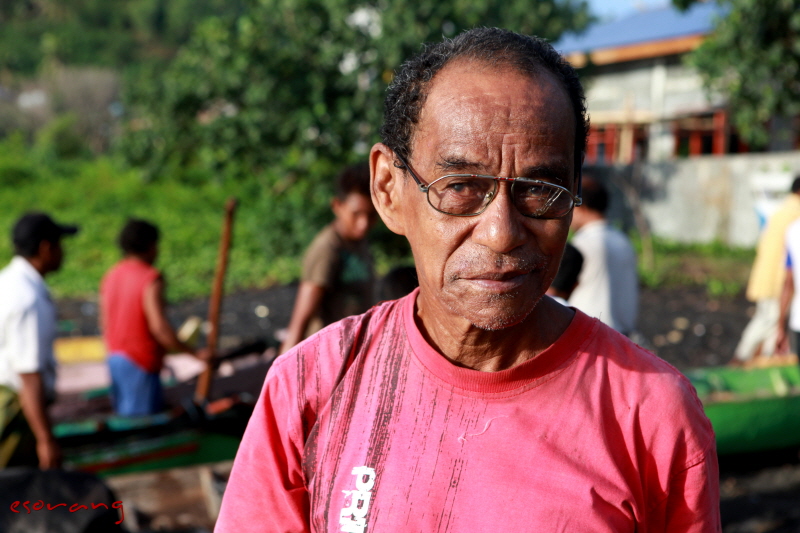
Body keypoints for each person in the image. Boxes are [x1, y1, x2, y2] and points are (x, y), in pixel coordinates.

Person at [216, 28, 720, 531]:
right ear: (388, 190)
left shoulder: (650, 414)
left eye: (540, 190)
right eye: (459, 187)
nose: (501, 233)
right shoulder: (312, 388)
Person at [100, 219, 207, 416]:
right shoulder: (150, 278)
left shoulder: (112, 275)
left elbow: (106, 323)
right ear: (150, 246)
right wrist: (195, 354)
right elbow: (159, 328)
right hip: (140, 361)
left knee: (125, 419)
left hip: (115, 358)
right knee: (142, 426)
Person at [0, 212, 78, 469]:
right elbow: (29, 375)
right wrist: (46, 440)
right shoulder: (29, 298)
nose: (62, 253)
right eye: (59, 246)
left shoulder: (8, 281)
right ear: (46, 248)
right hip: (15, 409)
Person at [279, 163, 377, 353]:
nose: (363, 224)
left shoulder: (360, 243)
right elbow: (301, 320)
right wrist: (280, 375)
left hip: (353, 350)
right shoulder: (327, 248)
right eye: (356, 214)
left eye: (371, 215)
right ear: (337, 206)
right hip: (327, 356)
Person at [734, 176, 800, 364]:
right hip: (779, 280)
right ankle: (745, 359)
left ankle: (746, 359)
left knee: (766, 320)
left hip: (766, 276)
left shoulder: (779, 212)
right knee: (771, 323)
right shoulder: (796, 215)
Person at [568, 176, 639, 336]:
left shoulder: (581, 244)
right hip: (622, 334)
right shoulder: (623, 241)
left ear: (581, 207)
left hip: (588, 333)